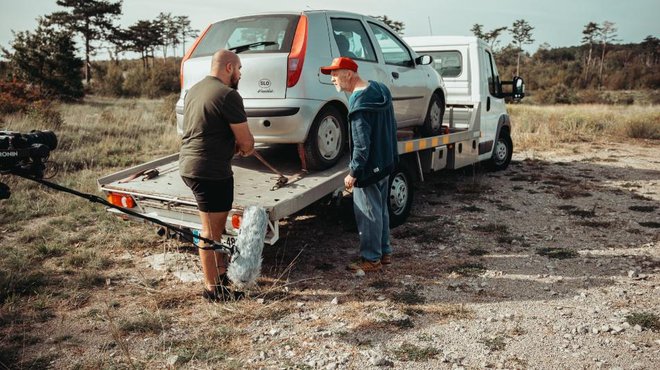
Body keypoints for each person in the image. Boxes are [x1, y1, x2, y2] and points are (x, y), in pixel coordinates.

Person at [179, 49, 255, 301]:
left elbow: (206, 128)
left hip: (191, 164)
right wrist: (245, 147)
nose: (241, 73)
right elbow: (246, 142)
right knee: (210, 232)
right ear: (230, 67)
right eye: (240, 68)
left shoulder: (195, 89)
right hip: (209, 170)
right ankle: (213, 290)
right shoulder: (228, 95)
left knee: (215, 229)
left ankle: (221, 278)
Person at [320, 57, 398, 273]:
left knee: (367, 215)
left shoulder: (358, 102)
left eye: (335, 74)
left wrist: (353, 172)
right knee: (381, 210)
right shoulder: (380, 89)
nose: (333, 79)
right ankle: (384, 253)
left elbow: (362, 145)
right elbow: (392, 126)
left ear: (349, 74)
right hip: (385, 162)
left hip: (369, 168)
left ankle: (371, 260)